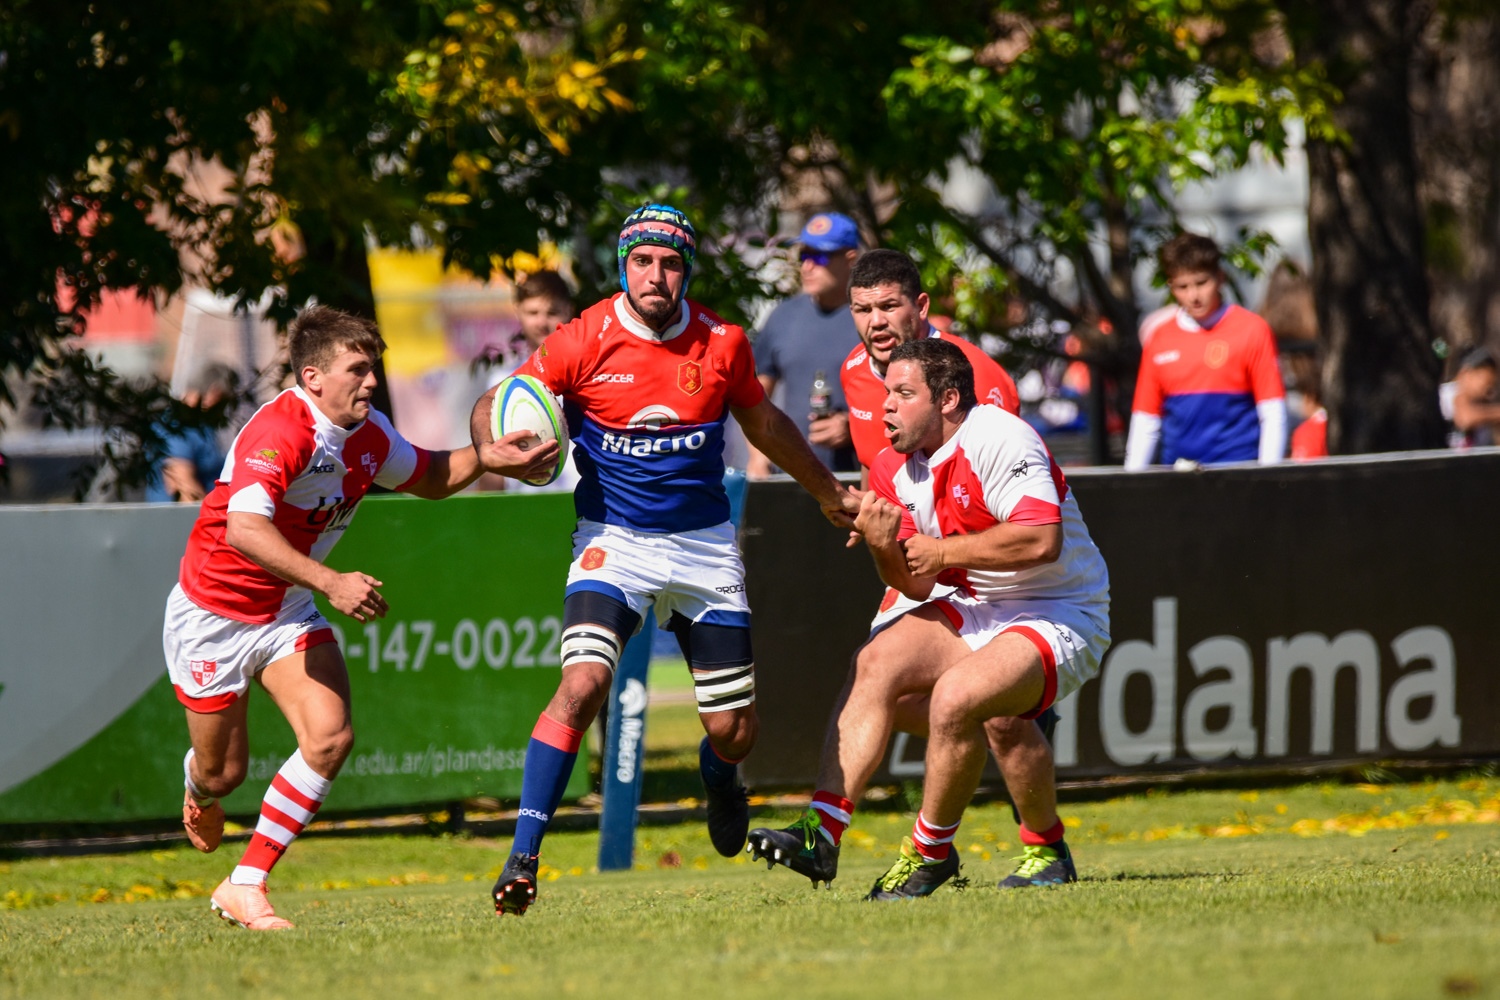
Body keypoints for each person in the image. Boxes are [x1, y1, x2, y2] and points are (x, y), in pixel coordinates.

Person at [470, 204, 861, 917]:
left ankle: (721, 780)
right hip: (611, 540)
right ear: (625, 264)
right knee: (582, 684)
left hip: (704, 545)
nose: (656, 274)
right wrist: (490, 446)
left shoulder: (722, 341)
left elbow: (766, 424)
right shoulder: (580, 338)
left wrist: (829, 491)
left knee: (732, 731)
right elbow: (501, 401)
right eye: (643, 260)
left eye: (671, 262)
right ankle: (523, 856)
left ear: (687, 270)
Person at [167, 305, 554, 931]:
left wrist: (488, 456)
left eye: (374, 368)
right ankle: (199, 784)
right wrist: (332, 581)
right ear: (313, 377)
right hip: (214, 615)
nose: (371, 382)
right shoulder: (282, 432)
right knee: (224, 771)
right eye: (357, 369)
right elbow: (243, 528)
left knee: (330, 736)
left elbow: (429, 476)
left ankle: (247, 883)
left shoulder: (367, 433)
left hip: (284, 608)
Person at [750, 251, 1076, 893]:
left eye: (889, 306)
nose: (874, 322)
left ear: (920, 309)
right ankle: (823, 836)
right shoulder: (851, 372)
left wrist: (938, 547)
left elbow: (1000, 500)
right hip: (937, 566)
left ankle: (1037, 844)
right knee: (876, 671)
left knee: (988, 712)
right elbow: (898, 489)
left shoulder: (978, 387)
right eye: (862, 310)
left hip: (1005, 577)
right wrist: (877, 528)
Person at [1125, 233, 1286, 469]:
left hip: (1239, 471)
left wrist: (1268, 478)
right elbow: (1146, 420)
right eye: (1182, 287)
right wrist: (1131, 482)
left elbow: (1272, 412)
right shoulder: (1160, 338)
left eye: (1201, 283)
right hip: (1176, 475)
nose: (1193, 296)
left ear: (1220, 278)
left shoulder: (1252, 330)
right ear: (1171, 286)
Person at [746, 212, 863, 478]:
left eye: (819, 257)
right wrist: (758, 455)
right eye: (804, 256)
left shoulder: (871, 318)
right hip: (791, 476)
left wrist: (853, 427)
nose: (808, 266)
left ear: (850, 260)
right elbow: (754, 394)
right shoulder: (782, 317)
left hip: (859, 479)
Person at [475, 270, 580, 492]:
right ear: (518, 312)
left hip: (583, 503)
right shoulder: (501, 381)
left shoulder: (587, 373)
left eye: (552, 312)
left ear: (568, 311)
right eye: (533, 312)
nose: (542, 321)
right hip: (523, 505)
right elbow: (494, 458)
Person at [146, 362, 239, 503]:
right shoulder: (176, 424)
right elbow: (183, 486)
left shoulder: (203, 426)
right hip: (179, 520)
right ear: (215, 393)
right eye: (226, 401)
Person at [1439, 346, 1500, 449]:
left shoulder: (1480, 405)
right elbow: (1465, 419)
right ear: (1466, 373)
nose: (1489, 391)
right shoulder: (1449, 393)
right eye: (1486, 382)